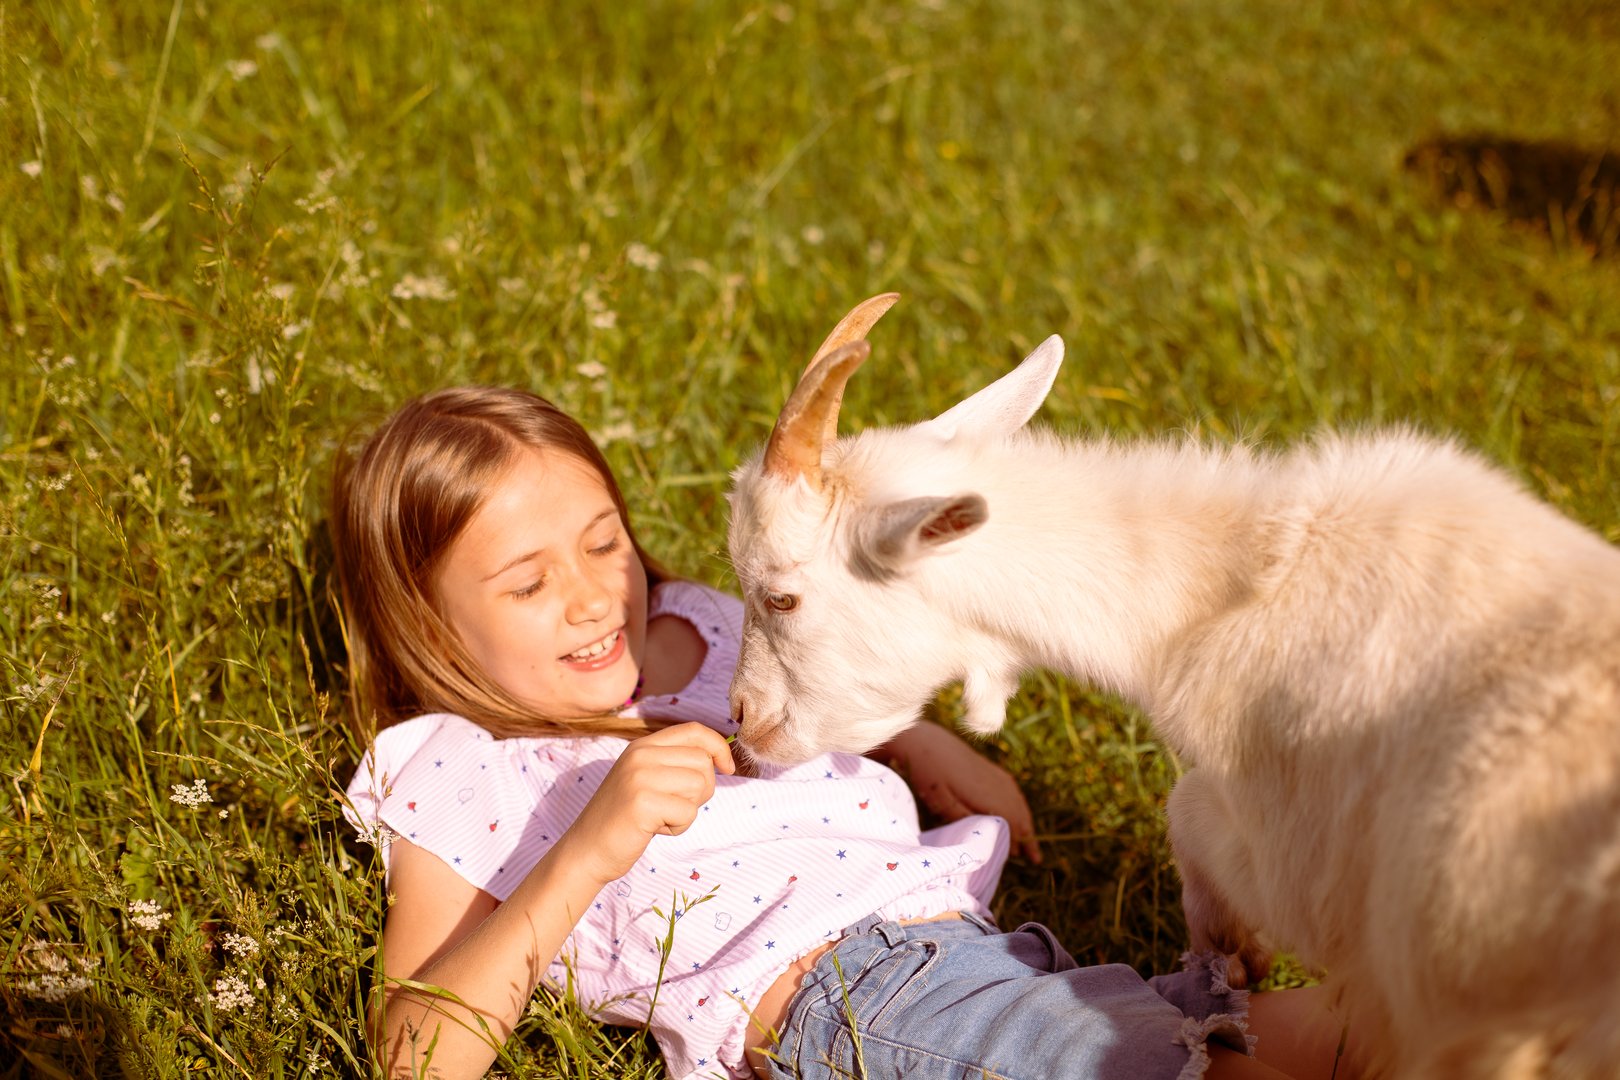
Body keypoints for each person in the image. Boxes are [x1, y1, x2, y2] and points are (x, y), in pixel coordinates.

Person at [335, 385, 1359, 1080]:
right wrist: (586, 853)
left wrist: (920, 744)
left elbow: (820, 674)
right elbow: (414, 1053)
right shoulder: (464, 764)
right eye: (527, 582)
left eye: (604, 541)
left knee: (1322, 1034)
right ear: (429, 624)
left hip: (975, 960)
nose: (592, 596)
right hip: (845, 1012)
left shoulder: (694, 624)